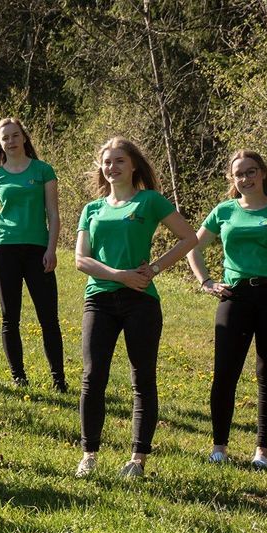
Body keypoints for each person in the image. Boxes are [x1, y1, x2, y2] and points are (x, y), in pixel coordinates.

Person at [73, 137, 197, 478]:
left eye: (119, 161)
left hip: (141, 300)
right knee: (92, 377)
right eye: (107, 162)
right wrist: (119, 275)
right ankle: (89, 455)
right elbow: (81, 260)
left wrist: (154, 269)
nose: (111, 167)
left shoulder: (150, 200)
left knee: (142, 378)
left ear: (133, 166)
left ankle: (137, 459)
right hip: (99, 298)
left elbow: (189, 238)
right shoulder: (92, 209)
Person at [186, 150, 267, 469]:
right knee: (225, 373)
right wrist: (206, 281)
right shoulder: (224, 211)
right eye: (239, 174)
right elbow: (192, 246)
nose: (245, 178)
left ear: (263, 173)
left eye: (251, 171)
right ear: (232, 179)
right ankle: (219, 448)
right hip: (235, 297)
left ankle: (262, 452)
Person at [0, 118, 67, 391]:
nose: (11, 141)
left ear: (24, 137)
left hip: (38, 250)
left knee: (49, 318)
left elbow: (53, 214)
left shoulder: (43, 170)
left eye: (15, 135)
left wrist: (51, 249)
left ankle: (59, 379)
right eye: (5, 137)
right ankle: (18, 377)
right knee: (10, 318)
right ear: (0, 143)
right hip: (4, 250)